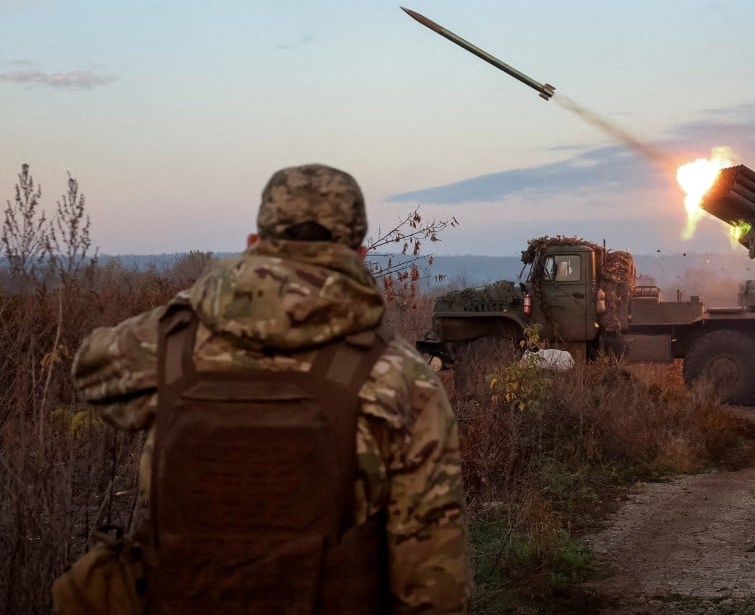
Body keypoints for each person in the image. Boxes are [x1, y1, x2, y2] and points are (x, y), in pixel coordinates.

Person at [55, 164, 471, 614]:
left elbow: (90, 370)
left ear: (254, 246)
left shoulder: (168, 345)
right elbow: (433, 589)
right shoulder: (404, 380)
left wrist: (200, 303)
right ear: (361, 254)